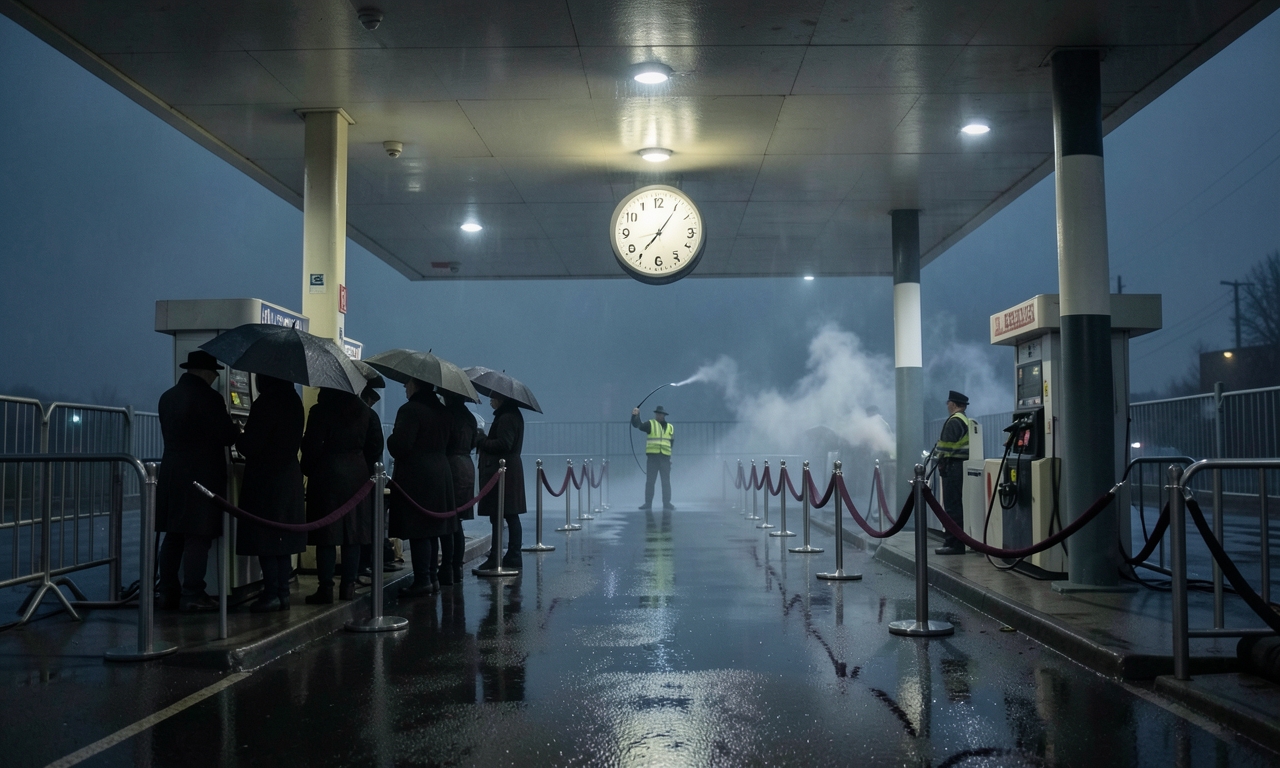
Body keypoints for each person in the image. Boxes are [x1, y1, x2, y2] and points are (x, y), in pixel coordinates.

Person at [156, 350, 240, 613]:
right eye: (214, 373)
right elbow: (226, 435)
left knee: (173, 535)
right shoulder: (210, 398)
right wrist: (237, 429)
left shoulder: (167, 397)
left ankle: (167, 591)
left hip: (171, 473)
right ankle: (193, 593)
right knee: (198, 536)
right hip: (201, 476)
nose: (215, 377)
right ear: (205, 372)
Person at [301, 387, 384, 603]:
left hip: (326, 475)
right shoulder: (366, 412)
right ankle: (348, 586)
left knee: (326, 535)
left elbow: (311, 445)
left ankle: (325, 588)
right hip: (358, 476)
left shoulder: (320, 411)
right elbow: (376, 447)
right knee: (353, 535)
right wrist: (364, 468)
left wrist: (309, 469)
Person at [236, 374, 306, 612]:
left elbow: (251, 445)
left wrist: (238, 436)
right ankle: (283, 593)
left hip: (265, 479)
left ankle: (271, 593)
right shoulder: (294, 400)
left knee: (265, 538)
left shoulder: (266, 402)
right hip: (289, 476)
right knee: (282, 539)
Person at [387, 380, 459, 596]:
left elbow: (400, 446)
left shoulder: (410, 410)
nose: (404, 387)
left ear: (416, 385)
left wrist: (391, 438)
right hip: (441, 472)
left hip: (417, 475)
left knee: (419, 530)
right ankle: (432, 578)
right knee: (433, 529)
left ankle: (422, 580)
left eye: (407, 384)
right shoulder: (445, 411)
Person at [476, 393, 526, 571]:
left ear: (502, 398)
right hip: (509, 470)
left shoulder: (506, 417)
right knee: (508, 514)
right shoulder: (511, 415)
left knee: (502, 514)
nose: (490, 399)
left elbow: (504, 444)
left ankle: (500, 555)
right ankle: (512, 554)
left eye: (494, 396)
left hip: (503, 471)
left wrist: (482, 440)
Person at [443, 391, 479, 583]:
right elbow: (473, 442)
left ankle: (447, 568)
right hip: (466, 465)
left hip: (451, 466)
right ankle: (457, 567)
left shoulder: (447, 415)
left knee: (449, 521)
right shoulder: (470, 417)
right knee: (458, 522)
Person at [933, 390, 974, 556]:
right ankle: (956, 542)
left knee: (952, 507)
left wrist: (939, 459)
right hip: (960, 465)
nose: (947, 405)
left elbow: (945, 448)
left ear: (954, 404)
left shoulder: (954, 421)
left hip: (952, 467)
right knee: (956, 506)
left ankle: (953, 544)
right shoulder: (965, 420)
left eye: (948, 403)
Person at [631, 405, 675, 511]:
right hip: (653, 458)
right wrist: (635, 416)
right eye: (657, 414)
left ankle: (667, 503)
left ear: (664, 415)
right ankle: (648, 503)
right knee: (650, 482)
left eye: (660, 414)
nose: (658, 416)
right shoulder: (650, 424)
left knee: (666, 482)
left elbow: (671, 443)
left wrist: (669, 457)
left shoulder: (670, 427)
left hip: (665, 458)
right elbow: (638, 425)